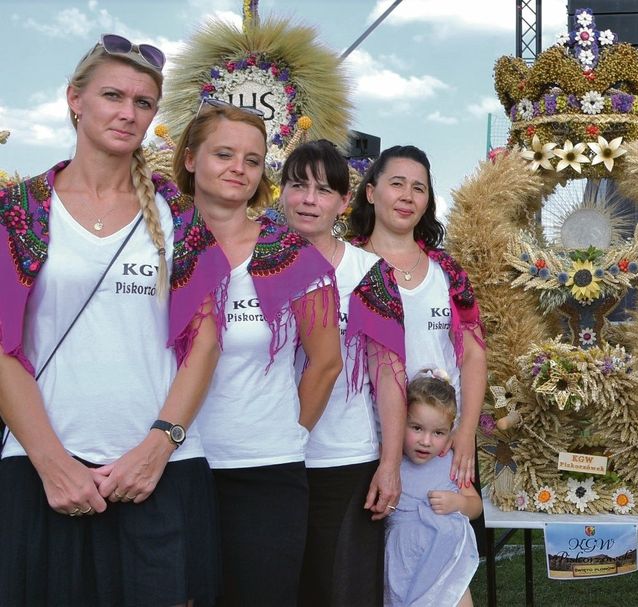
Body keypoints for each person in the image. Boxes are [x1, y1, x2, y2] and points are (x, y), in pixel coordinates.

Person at [0, 34, 221, 605]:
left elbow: (205, 342)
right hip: (40, 470)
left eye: (144, 103)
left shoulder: (180, 215)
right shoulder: (18, 211)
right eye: (112, 96)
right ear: (75, 99)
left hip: (159, 471)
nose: (128, 113)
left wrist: (157, 446)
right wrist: (53, 463)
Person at [173, 100, 342, 606]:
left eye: (252, 160)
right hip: (170, 467)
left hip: (264, 472)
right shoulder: (159, 243)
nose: (238, 169)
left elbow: (327, 361)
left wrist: (287, 435)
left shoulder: (291, 253)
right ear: (189, 159)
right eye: (224, 153)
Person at [279, 140, 395, 606]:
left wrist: (388, 464)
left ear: (345, 202)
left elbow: (388, 371)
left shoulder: (370, 273)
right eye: (298, 185)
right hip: (268, 460)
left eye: (325, 190)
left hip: (345, 461)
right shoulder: (252, 265)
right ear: (280, 192)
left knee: (340, 592)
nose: (310, 199)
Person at [345, 145, 486, 494]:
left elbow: (473, 355)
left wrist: (465, 432)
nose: (407, 196)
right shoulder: (347, 267)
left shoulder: (448, 273)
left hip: (439, 446)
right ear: (371, 192)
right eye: (396, 183)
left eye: (418, 188)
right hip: (368, 446)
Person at [385, 370, 482, 607]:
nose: (426, 441)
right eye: (417, 428)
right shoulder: (390, 464)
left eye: (438, 433)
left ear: (450, 432)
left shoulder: (451, 462)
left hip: (444, 564)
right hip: (403, 563)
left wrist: (457, 503)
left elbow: (475, 506)